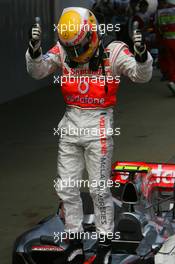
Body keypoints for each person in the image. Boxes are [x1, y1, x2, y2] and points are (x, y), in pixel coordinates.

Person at [26, 7, 152, 264]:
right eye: (70, 46)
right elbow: (37, 71)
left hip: (100, 123)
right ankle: (74, 241)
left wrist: (142, 57)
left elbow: (141, 76)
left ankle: (105, 241)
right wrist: (34, 51)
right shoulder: (62, 49)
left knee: (98, 188)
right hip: (71, 121)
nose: (74, 52)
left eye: (79, 45)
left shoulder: (113, 51)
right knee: (67, 187)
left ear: (92, 32)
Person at [155, 0, 175, 94]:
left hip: (166, 40)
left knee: (171, 62)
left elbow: (158, 27)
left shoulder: (159, 12)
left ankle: (172, 81)